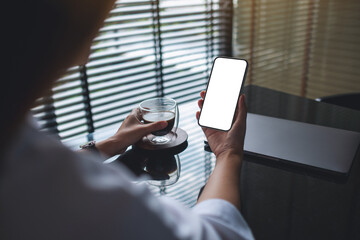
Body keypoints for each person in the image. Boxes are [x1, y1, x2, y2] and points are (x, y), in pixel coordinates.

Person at [0, 0, 254, 239]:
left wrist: (112, 142)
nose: (85, 56)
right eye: (92, 31)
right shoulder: (57, 187)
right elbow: (219, 234)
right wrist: (228, 154)